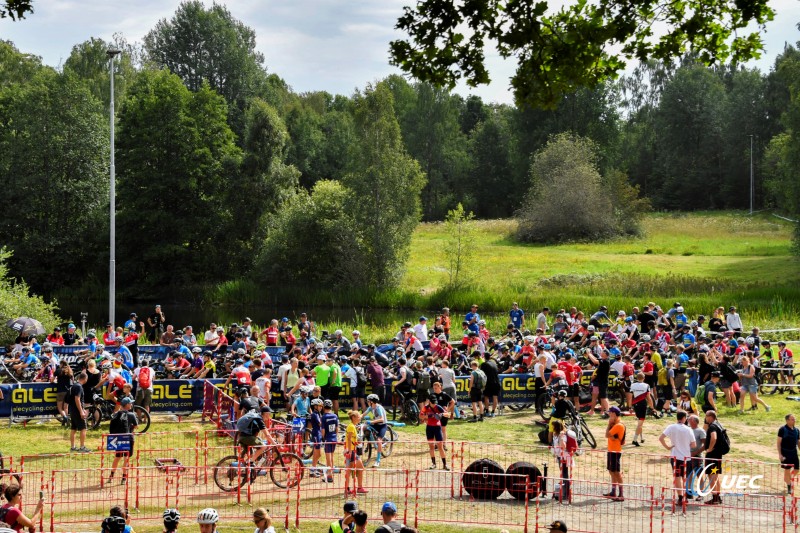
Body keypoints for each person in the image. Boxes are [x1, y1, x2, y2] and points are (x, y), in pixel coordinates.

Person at [659, 411, 696, 508]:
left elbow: (661, 438)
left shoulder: (671, 427)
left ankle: (680, 497)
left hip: (675, 456)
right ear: (684, 418)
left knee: (677, 477)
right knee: (685, 477)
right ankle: (685, 496)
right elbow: (693, 444)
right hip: (686, 457)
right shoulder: (688, 429)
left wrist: (668, 447)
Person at [108, 397, 138, 484]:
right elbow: (136, 426)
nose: (131, 404)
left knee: (117, 457)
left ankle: (111, 476)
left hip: (118, 438)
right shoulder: (131, 415)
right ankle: (124, 478)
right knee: (126, 458)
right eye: (130, 403)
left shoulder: (116, 414)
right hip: (128, 438)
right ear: (127, 405)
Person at [703, 410, 728, 505]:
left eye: (706, 416)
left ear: (710, 417)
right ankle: (717, 497)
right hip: (717, 455)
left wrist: (709, 448)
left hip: (712, 456)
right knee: (715, 476)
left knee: (712, 477)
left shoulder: (712, 426)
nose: (705, 418)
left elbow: (714, 437)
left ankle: (714, 498)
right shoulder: (718, 425)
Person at [420, 396, 449, 471]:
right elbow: (420, 416)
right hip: (429, 428)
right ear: (429, 402)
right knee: (431, 446)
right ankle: (433, 464)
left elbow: (447, 414)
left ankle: (445, 464)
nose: (434, 404)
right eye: (432, 403)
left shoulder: (438, 407)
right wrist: (430, 416)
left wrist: (441, 415)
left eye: (435, 403)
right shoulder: (425, 407)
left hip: (437, 428)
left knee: (440, 446)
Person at [603, 406, 625, 501]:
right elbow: (609, 436)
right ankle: (613, 491)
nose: (609, 414)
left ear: (614, 414)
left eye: (610, 413)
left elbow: (607, 435)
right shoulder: (615, 424)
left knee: (616, 472)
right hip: (611, 450)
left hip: (615, 451)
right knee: (611, 471)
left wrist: (608, 424)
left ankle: (621, 494)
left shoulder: (618, 425)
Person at [343, 410, 367, 497]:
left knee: (351, 470)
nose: (359, 418)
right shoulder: (351, 427)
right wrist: (349, 450)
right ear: (353, 418)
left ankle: (350, 488)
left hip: (352, 451)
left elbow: (351, 439)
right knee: (355, 469)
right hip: (351, 452)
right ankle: (356, 487)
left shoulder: (353, 426)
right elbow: (349, 439)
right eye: (358, 417)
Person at [363, 394, 389, 467]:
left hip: (382, 425)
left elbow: (382, 419)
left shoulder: (378, 408)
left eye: (368, 401)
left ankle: (378, 460)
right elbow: (364, 414)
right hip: (376, 424)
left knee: (379, 440)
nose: (367, 402)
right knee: (364, 427)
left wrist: (371, 422)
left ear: (372, 402)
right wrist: (357, 417)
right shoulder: (371, 407)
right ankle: (367, 440)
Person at [778, 414, 800, 495]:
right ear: (787, 420)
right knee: (787, 470)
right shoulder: (782, 429)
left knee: (797, 469)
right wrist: (780, 454)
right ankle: (789, 485)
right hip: (785, 453)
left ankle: (787, 479)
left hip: (794, 452)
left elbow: (798, 442)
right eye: (792, 419)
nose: (794, 420)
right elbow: (778, 443)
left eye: (794, 419)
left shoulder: (797, 430)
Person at [68, 371, 90, 452]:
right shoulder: (79, 387)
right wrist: (81, 411)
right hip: (77, 410)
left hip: (72, 409)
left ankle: (73, 447)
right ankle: (82, 447)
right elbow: (77, 399)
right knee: (83, 428)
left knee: (73, 428)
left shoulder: (74, 385)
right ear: (85, 378)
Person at [321, 400, 340, 484]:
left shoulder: (324, 417)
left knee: (328, 458)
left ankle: (330, 476)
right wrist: (335, 436)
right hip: (334, 438)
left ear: (324, 407)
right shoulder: (335, 416)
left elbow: (323, 430)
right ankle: (330, 473)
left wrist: (323, 438)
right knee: (331, 456)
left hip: (328, 439)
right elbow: (337, 428)